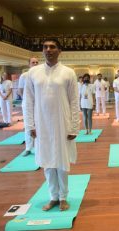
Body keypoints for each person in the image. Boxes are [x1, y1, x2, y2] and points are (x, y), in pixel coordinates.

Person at [25, 38, 80, 211]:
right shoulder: (33, 73)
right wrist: (30, 126)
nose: (48, 50)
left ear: (59, 50)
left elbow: (74, 101)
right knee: (48, 161)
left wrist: (74, 127)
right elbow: (28, 101)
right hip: (42, 124)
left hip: (62, 123)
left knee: (62, 162)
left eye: (52, 47)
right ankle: (53, 197)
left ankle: (63, 197)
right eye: (45, 47)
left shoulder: (68, 72)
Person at [18, 57, 39, 156]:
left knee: (39, 125)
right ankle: (28, 148)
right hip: (27, 104)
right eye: (33, 62)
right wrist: (26, 100)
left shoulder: (40, 75)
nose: (35, 63)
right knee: (28, 125)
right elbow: (20, 90)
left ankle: (39, 147)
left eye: (36, 62)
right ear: (29, 64)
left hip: (39, 103)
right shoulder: (24, 76)